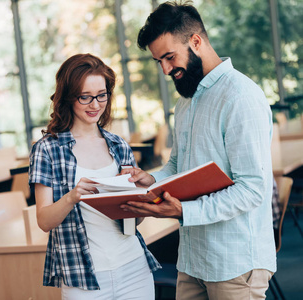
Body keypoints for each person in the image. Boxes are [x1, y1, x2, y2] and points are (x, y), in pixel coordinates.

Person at [120, 1, 276, 299]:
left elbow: (253, 189)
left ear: (196, 41)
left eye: (169, 57)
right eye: (159, 61)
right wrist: (151, 179)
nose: (166, 69)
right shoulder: (186, 102)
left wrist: (184, 211)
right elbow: (179, 164)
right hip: (193, 259)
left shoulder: (240, 97)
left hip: (235, 263)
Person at [29, 53, 160, 299]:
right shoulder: (47, 149)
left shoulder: (118, 145)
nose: (95, 104)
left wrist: (141, 201)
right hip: (83, 277)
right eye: (85, 97)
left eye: (102, 95)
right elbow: (44, 221)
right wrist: (72, 197)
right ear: (68, 97)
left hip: (133, 267)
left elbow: (133, 223)